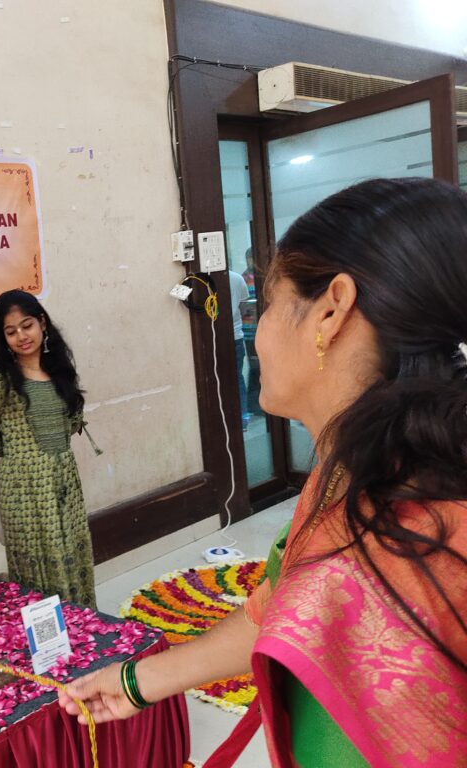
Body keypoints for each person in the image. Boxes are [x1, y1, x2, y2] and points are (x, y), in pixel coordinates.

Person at [59, 178, 467, 767]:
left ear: (330, 311)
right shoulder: (348, 477)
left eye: (268, 305)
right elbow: (287, 607)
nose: (260, 332)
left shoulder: (410, 538)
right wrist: (139, 682)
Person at [0, 289, 96, 608]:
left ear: (42, 323)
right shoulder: (1, 381)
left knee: (71, 554)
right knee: (38, 569)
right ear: (3, 338)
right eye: (11, 332)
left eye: (27, 326)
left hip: (64, 480)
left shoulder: (59, 370)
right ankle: (47, 643)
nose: (21, 336)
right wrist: (14, 449)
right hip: (25, 489)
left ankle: (81, 626)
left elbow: (71, 420)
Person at [228, 269, 250, 427]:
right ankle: (243, 418)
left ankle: (227, 417)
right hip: (236, 335)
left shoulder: (208, 279)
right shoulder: (237, 279)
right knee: (238, 378)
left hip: (218, 337)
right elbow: (244, 309)